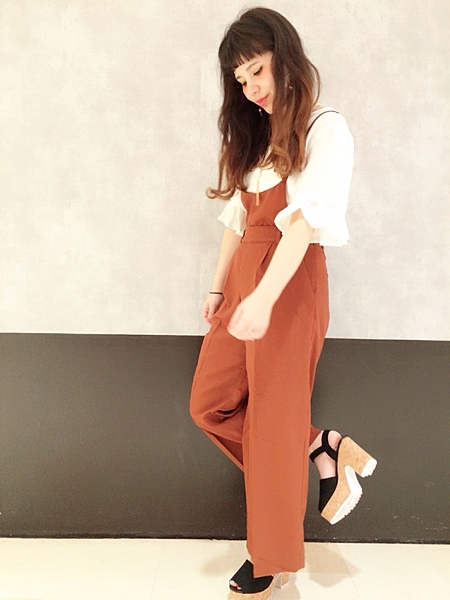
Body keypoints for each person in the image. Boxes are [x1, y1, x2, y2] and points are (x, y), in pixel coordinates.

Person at [189, 7, 377, 599]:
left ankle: (270, 559)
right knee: (209, 404)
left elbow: (302, 226)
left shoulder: (324, 128)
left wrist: (266, 298)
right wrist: (219, 290)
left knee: (272, 423)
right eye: (240, 80)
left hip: (289, 284)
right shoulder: (257, 136)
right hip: (246, 281)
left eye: (258, 70)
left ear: (285, 57)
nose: (251, 88)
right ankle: (320, 444)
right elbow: (237, 220)